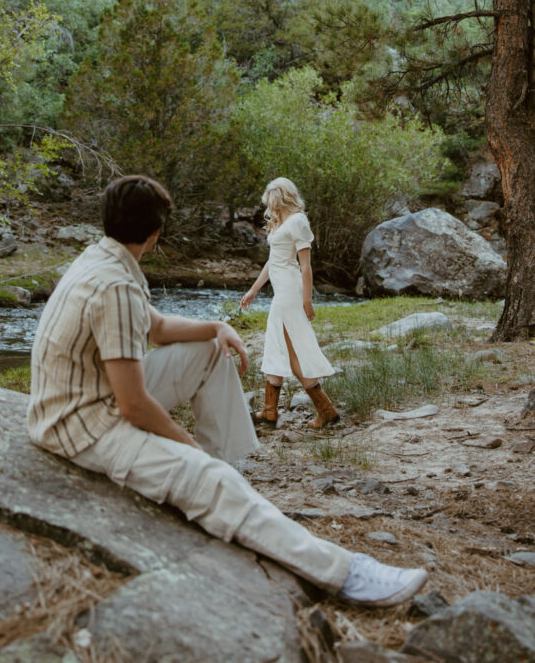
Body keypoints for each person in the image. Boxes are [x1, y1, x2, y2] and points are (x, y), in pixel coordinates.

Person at [27, 174, 428, 606]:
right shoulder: (116, 287)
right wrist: (187, 449)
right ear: (157, 234)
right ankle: (344, 573)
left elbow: (158, 329)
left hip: (89, 394)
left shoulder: (101, 258)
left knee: (212, 349)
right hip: (79, 422)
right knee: (203, 470)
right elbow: (133, 405)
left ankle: (226, 478)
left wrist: (217, 326)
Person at [241, 177, 339, 430]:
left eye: (272, 200)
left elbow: (305, 266)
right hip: (281, 291)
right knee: (282, 347)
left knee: (287, 348)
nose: (269, 206)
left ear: (281, 197)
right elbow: (272, 262)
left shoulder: (297, 221)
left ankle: (317, 410)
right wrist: (253, 290)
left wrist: (307, 301)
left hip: (290, 292)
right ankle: (275, 410)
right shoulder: (280, 223)